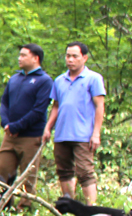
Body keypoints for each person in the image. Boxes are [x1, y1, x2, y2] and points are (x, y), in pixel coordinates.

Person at [43, 42, 106, 204]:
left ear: (84, 58)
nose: (70, 60)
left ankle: (91, 209)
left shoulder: (93, 78)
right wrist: (48, 128)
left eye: (75, 56)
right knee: (63, 171)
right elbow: (56, 106)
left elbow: (100, 106)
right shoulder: (59, 80)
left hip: (83, 134)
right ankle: (69, 205)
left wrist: (96, 133)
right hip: (62, 133)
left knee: (85, 172)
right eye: (68, 56)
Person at [0, 44, 51, 200]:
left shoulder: (44, 81)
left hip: (31, 136)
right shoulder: (14, 79)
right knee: (2, 172)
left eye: (23, 55)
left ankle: (22, 213)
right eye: (19, 55)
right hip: (10, 136)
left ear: (36, 58)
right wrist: (6, 123)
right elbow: (4, 102)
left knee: (28, 177)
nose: (19, 58)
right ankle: (1, 208)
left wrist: (17, 126)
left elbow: (38, 110)